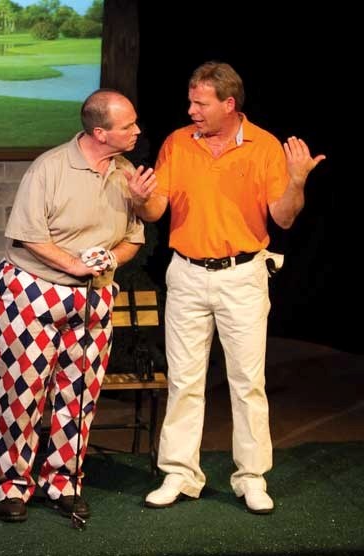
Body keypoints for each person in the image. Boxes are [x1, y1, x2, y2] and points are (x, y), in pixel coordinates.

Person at [131, 61, 326, 514]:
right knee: (184, 381)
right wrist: (141, 198)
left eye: (200, 103)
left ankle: (251, 476)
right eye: (191, 101)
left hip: (242, 276)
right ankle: (179, 473)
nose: (191, 110)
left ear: (229, 104)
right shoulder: (178, 142)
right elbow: (157, 210)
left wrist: (297, 181)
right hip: (186, 274)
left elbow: (282, 218)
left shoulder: (263, 146)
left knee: (247, 382)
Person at [0, 89, 155, 523]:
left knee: (78, 395)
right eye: (128, 125)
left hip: (93, 295)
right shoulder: (50, 167)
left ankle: (63, 481)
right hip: (34, 287)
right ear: (100, 132)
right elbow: (29, 235)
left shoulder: (124, 173)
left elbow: (132, 239)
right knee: (21, 394)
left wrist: (106, 260)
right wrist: (76, 265)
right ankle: (14, 486)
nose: (138, 130)